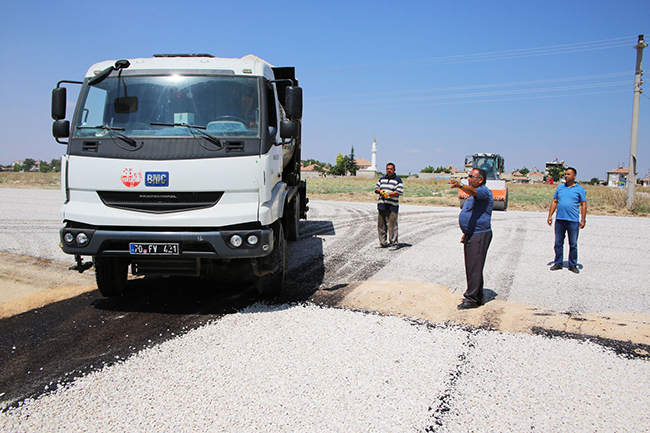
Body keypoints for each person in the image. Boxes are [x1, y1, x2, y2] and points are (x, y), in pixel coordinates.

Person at [449, 168, 493, 309]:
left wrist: (460, 186)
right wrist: (467, 231)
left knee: (474, 266)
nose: (469, 179)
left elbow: (473, 191)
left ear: (480, 179)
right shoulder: (473, 194)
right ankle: (478, 296)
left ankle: (471, 299)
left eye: (472, 177)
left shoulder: (484, 191)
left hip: (480, 234)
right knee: (474, 266)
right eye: (468, 176)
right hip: (472, 233)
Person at [547, 167, 587, 274]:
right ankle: (558, 263)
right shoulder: (560, 188)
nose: (566, 176)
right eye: (565, 174)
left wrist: (583, 219)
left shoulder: (580, 189)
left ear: (574, 176)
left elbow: (583, 204)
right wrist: (550, 215)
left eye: (568, 174)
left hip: (573, 221)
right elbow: (554, 201)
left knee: (573, 244)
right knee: (558, 243)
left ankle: (572, 264)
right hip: (560, 219)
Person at [375, 163, 404, 249]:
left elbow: (399, 192)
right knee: (381, 225)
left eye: (391, 169)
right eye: (387, 169)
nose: (389, 170)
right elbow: (376, 189)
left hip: (392, 206)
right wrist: (381, 191)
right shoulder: (382, 179)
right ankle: (383, 242)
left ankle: (394, 243)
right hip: (382, 205)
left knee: (392, 225)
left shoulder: (398, 180)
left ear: (394, 170)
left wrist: (389, 194)